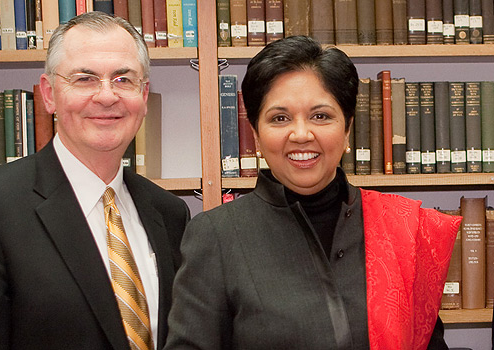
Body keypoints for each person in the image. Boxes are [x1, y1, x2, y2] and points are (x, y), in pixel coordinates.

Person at [164, 36, 461, 350]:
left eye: (321, 116)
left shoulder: (401, 229)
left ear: (347, 129)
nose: (302, 134)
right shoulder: (216, 236)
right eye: (280, 118)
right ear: (256, 135)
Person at [0, 12, 190, 350]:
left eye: (123, 80)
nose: (107, 96)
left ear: (144, 94)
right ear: (49, 94)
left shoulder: (168, 213)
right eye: (85, 79)